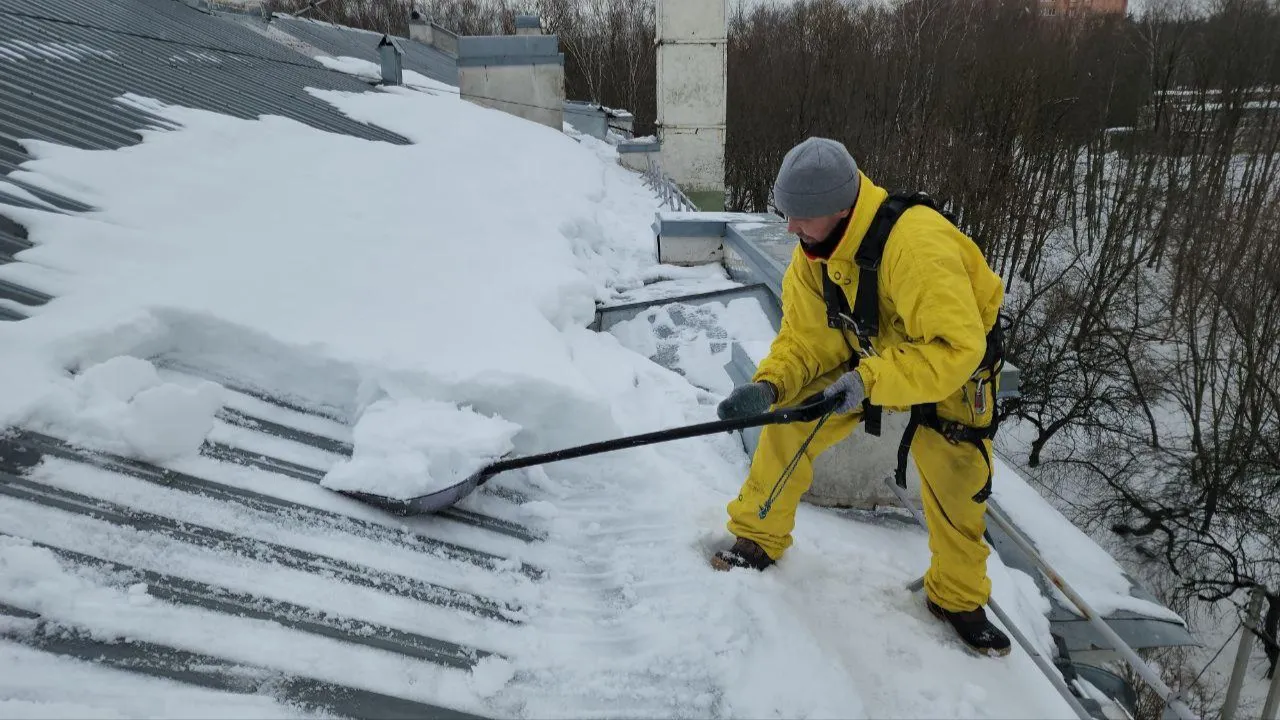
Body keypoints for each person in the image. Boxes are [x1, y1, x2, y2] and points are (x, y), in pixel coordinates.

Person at [711, 137, 1011, 658]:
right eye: (786, 214)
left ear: (840, 209)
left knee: (958, 483)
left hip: (951, 371)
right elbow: (806, 339)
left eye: (801, 216)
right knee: (789, 424)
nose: (790, 228)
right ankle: (758, 536)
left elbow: (956, 348)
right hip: (868, 355)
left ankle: (956, 599)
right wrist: (770, 385)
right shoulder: (814, 254)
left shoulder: (917, 247)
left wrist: (870, 382)